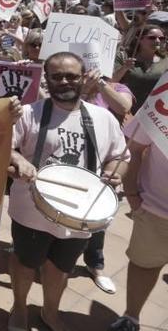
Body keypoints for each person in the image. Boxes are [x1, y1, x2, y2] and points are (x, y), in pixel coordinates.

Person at [7, 52, 129, 331]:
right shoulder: (29, 113)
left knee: (61, 269)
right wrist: (18, 160)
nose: (65, 81)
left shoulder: (103, 118)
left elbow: (121, 156)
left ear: (83, 77)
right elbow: (4, 148)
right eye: (57, 76)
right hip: (31, 211)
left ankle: (50, 312)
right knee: (24, 265)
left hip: (81, 215)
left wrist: (114, 173)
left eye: (72, 76)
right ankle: (20, 309)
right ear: (46, 79)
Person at [79, 68, 134, 295]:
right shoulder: (73, 82)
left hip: (101, 162)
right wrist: (82, 87)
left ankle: (95, 266)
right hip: (73, 155)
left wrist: (100, 84)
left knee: (98, 220)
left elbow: (124, 106)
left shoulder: (119, 88)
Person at [109, 120, 168, 331]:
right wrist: (132, 195)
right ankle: (131, 317)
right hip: (157, 212)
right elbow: (133, 148)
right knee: (144, 266)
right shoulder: (164, 98)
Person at [114, 24, 167, 114]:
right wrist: (124, 68)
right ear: (139, 39)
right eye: (152, 38)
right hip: (123, 113)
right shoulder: (123, 57)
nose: (157, 41)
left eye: (161, 38)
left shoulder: (165, 61)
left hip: (151, 116)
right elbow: (111, 82)